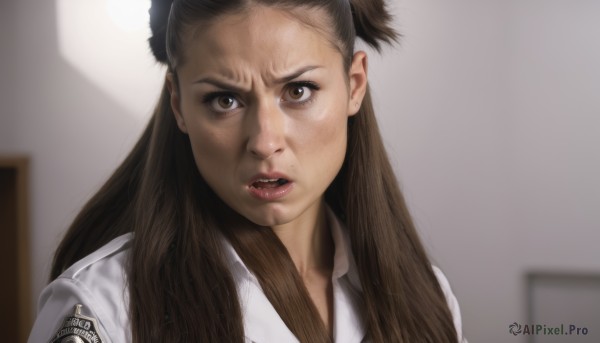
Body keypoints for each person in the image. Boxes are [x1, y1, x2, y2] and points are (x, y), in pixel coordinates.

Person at [29, 0, 468, 342]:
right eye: (225, 100)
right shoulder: (104, 310)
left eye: (298, 90)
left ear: (354, 85)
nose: (264, 140)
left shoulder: (426, 297)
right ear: (179, 104)